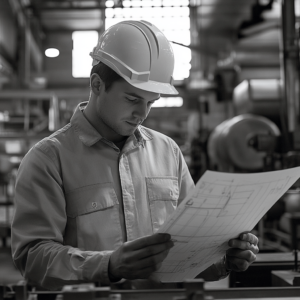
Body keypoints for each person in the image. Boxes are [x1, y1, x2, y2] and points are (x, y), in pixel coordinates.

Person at [11, 20, 259, 291]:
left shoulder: (168, 152)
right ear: (96, 84)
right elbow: (32, 258)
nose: (142, 114)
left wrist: (224, 258)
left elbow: (192, 249)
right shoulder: (48, 159)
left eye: (151, 102)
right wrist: (108, 266)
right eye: (132, 99)